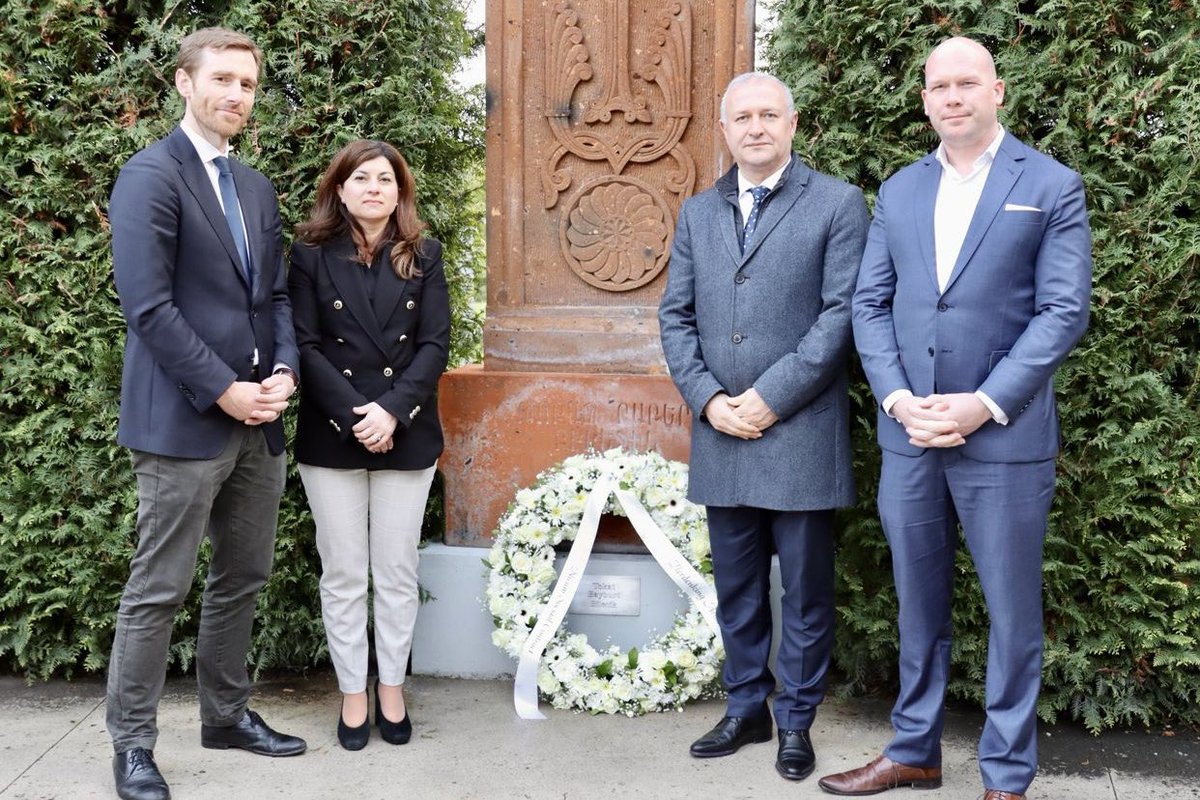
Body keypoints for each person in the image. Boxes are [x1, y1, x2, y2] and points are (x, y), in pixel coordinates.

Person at [817, 38, 1092, 800]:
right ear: (926, 100)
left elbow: (1063, 311)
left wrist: (983, 403)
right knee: (918, 604)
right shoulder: (900, 191)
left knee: (1011, 613)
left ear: (997, 91)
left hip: (1002, 436)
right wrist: (900, 399)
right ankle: (915, 752)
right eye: (939, 86)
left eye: (967, 82)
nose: (952, 96)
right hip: (910, 436)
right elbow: (870, 304)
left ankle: (1006, 776)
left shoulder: (1052, 184)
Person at [107, 26, 306, 800]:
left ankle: (226, 715)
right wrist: (225, 389)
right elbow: (148, 309)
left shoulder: (253, 186)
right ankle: (131, 745)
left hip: (261, 422)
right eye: (222, 79)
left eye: (248, 85)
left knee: (243, 577)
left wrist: (283, 371)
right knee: (158, 588)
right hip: (186, 422)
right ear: (184, 83)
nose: (236, 96)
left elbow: (276, 294)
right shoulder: (150, 176)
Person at [659, 72, 869, 783]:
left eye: (768, 115)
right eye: (742, 116)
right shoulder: (696, 213)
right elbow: (675, 317)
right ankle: (746, 706)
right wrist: (711, 400)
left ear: (792, 122)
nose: (755, 127)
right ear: (724, 130)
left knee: (805, 594)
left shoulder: (838, 204)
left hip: (799, 431)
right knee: (739, 589)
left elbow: (840, 315)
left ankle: (796, 721)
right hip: (722, 432)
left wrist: (769, 397)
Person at [288, 140, 449, 751]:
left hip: (405, 433)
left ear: (400, 191)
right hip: (333, 434)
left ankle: (392, 690)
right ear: (341, 188)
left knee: (397, 572)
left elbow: (435, 343)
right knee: (346, 573)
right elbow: (303, 343)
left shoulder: (425, 254)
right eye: (362, 178)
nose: (374, 188)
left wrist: (392, 410)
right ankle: (353, 693)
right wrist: (357, 414)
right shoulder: (309, 256)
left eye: (386, 179)